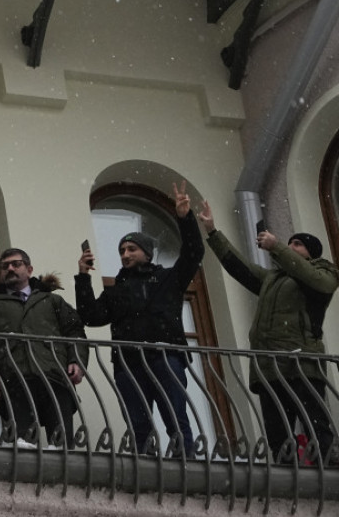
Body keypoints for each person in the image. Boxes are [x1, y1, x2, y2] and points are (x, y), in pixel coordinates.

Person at [198, 203, 338, 463]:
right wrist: (212, 231)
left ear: (311, 253)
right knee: (278, 435)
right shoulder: (272, 279)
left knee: (316, 426)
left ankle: (328, 472)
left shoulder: (324, 273)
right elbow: (238, 267)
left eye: (297, 244)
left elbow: (320, 282)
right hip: (269, 365)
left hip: (302, 363)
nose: (291, 247)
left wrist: (277, 247)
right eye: (290, 243)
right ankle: (288, 478)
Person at [75, 181, 203, 458]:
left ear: (147, 252)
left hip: (165, 354)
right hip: (128, 361)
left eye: (131, 249)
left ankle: (187, 460)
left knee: (175, 415)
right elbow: (90, 316)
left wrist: (185, 218)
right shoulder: (116, 290)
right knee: (137, 422)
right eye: (122, 251)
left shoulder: (168, 278)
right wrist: (83, 277)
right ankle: (143, 464)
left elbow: (194, 253)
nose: (125, 255)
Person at [0, 248, 87, 449]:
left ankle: (61, 481)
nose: (10, 268)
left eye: (16, 264)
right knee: (23, 449)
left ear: (29, 269)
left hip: (55, 377)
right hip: (13, 380)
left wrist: (76, 361)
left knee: (63, 449)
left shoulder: (52, 300)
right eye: (5, 266)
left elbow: (75, 332)